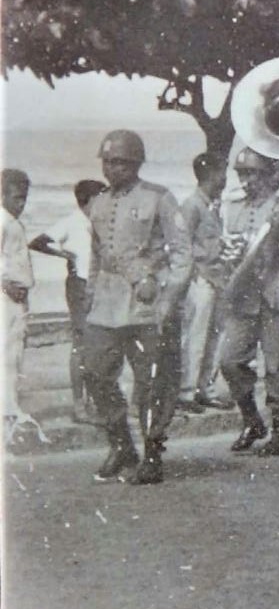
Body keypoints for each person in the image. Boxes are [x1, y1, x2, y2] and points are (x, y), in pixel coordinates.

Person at [82, 130, 192, 484]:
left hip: (147, 306)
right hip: (107, 305)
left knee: (152, 383)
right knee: (96, 373)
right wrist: (90, 294)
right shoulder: (98, 203)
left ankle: (153, 453)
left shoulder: (159, 198)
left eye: (121, 163)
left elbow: (182, 254)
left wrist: (170, 298)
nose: (113, 169)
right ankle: (120, 445)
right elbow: (97, 257)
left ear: (137, 163)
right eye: (108, 162)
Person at [216, 148, 279, 456]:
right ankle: (251, 420)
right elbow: (229, 250)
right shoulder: (233, 209)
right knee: (230, 361)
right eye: (242, 173)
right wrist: (229, 253)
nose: (246, 181)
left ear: (272, 175)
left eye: (252, 173)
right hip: (244, 297)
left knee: (276, 367)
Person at [28, 178, 107, 424]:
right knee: (81, 345)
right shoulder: (73, 221)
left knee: (98, 345)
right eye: (100, 197)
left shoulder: (99, 223)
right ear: (89, 200)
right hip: (79, 285)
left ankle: (93, 402)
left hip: (97, 286)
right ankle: (79, 406)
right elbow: (37, 242)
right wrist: (64, 254)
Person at [173, 154, 232, 413]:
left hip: (216, 277)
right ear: (211, 174)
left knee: (215, 338)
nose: (225, 177)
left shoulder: (211, 206)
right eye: (222, 171)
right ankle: (186, 392)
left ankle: (206, 389)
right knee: (195, 337)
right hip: (200, 279)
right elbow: (182, 245)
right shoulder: (192, 206)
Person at [3, 169, 35, 430]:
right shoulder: (2, 222)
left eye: (24, 198)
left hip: (18, 296)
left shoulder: (14, 222)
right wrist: (5, 284)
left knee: (15, 352)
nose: (21, 204)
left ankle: (10, 405)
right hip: (6, 296)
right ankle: (8, 408)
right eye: (16, 198)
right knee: (7, 353)